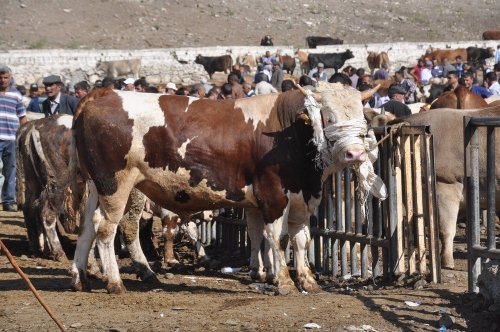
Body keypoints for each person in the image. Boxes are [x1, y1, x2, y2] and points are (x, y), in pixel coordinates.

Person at [0, 65, 27, 211]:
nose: (3, 80)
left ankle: (8, 202)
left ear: (10, 78)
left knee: (11, 171)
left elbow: (22, 118)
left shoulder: (16, 95)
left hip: (11, 139)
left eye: (5, 77)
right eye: (1, 78)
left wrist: (23, 136)